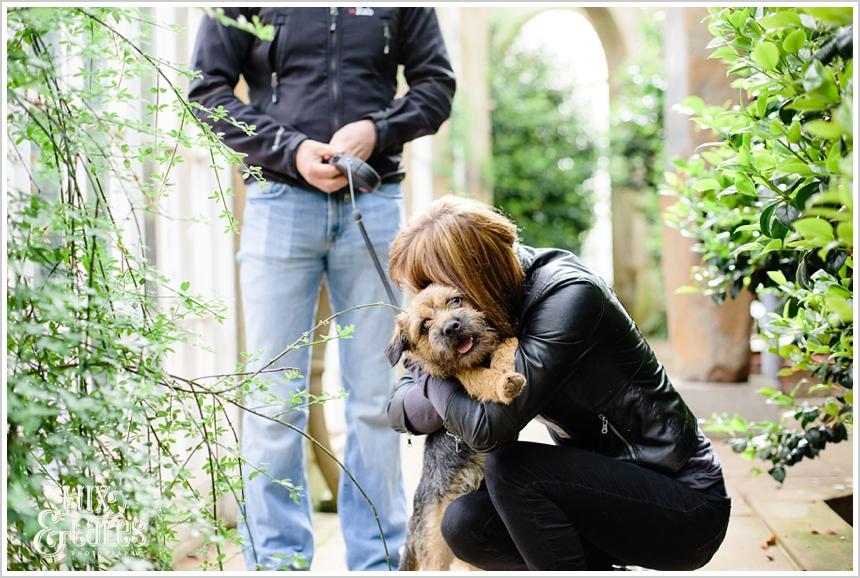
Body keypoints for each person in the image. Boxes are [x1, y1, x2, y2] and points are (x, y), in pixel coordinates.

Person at [188, 7, 455, 571]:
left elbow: (436, 86)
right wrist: (289, 149)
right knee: (272, 400)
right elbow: (207, 89)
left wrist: (379, 130)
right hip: (278, 203)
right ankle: (278, 564)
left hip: (375, 201)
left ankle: (377, 562)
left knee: (377, 402)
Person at [387, 196, 732, 571]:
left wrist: (431, 363)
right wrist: (427, 359)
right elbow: (398, 409)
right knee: (467, 523)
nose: (444, 315)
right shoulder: (487, 316)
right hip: (603, 491)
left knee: (511, 468)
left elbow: (488, 430)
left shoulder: (568, 296)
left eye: (448, 292)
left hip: (683, 501)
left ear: (476, 272)